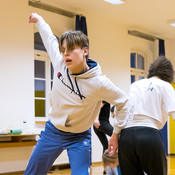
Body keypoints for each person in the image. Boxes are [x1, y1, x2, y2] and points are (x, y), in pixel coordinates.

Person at [25, 13, 129, 175]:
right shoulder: (60, 63)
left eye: (71, 49)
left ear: (85, 51)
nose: (65, 53)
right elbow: (48, 38)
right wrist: (39, 20)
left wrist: (116, 133)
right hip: (53, 131)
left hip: (79, 137)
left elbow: (124, 102)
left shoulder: (99, 82)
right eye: (64, 49)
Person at [109, 56, 175, 175]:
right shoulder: (166, 86)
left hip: (126, 137)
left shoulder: (135, 84)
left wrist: (114, 135)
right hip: (149, 136)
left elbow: (123, 111)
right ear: (169, 74)